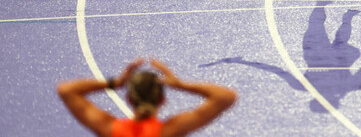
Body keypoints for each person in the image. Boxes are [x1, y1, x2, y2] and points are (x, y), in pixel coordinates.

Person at [57, 58, 237, 137]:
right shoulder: (169, 132)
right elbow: (225, 97)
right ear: (162, 100)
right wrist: (180, 84)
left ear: (129, 99)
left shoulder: (110, 129)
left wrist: (116, 82)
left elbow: (66, 90)